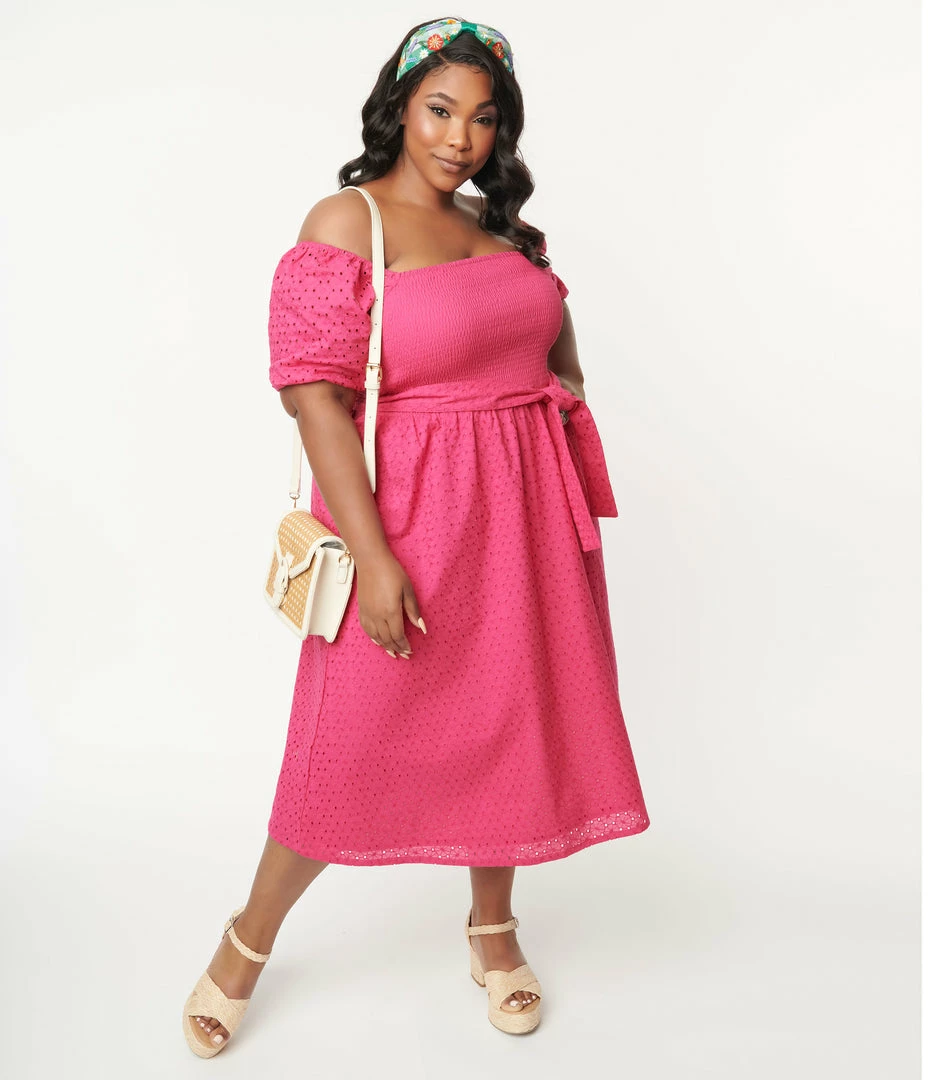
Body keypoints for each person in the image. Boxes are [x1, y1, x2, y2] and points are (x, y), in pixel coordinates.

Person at [182, 16, 650, 1056]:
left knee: (510, 722)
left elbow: (555, 363)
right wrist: (376, 555)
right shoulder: (346, 220)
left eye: (483, 120)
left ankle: (493, 931)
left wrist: (543, 436)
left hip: (522, 520)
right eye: (440, 109)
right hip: (407, 518)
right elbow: (314, 399)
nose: (459, 138)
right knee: (345, 743)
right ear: (399, 106)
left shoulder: (509, 232)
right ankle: (246, 941)